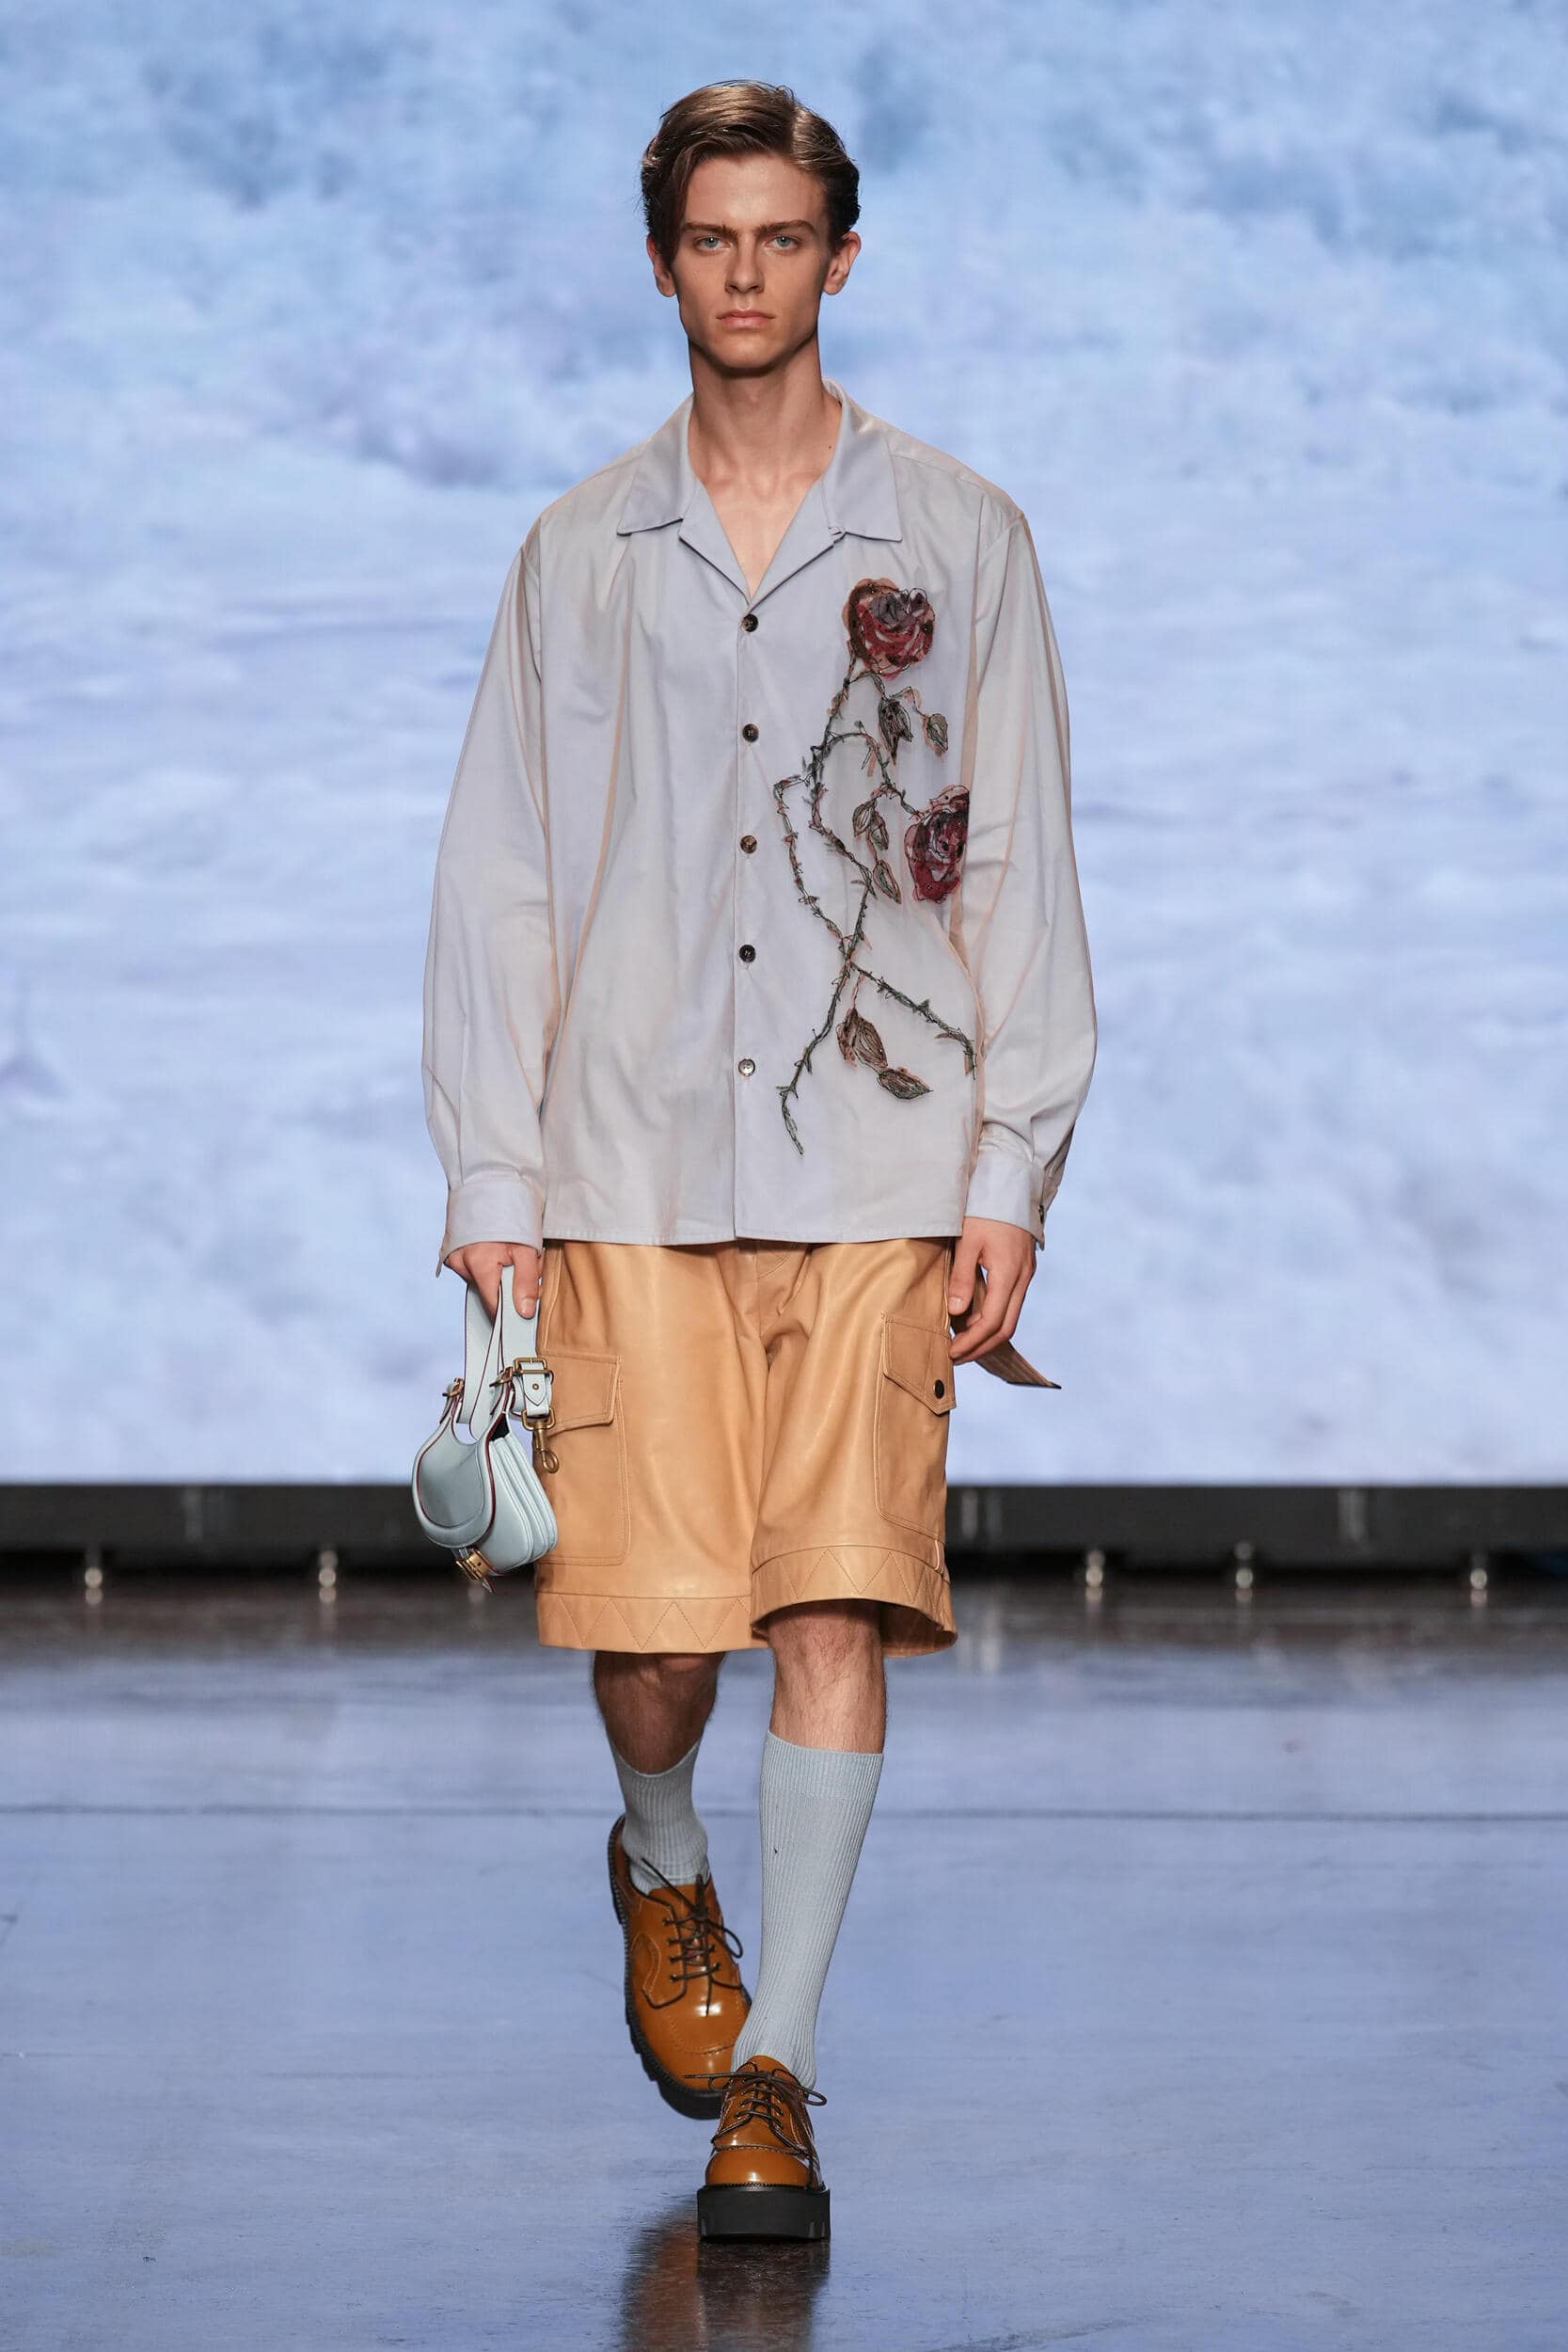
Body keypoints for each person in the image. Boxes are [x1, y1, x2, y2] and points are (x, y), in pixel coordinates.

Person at [421, 78, 1097, 2243]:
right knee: (650, 1638)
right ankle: (661, 1854)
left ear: (839, 257)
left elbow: (1019, 854)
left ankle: (775, 2079)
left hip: (880, 1158)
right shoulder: (578, 551)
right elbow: (505, 872)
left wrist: (1011, 1165)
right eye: (711, 236)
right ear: (663, 261)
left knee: (833, 1599)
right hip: (623, 1160)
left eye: (781, 235)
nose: (745, 270)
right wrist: (492, 1181)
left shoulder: (961, 535)